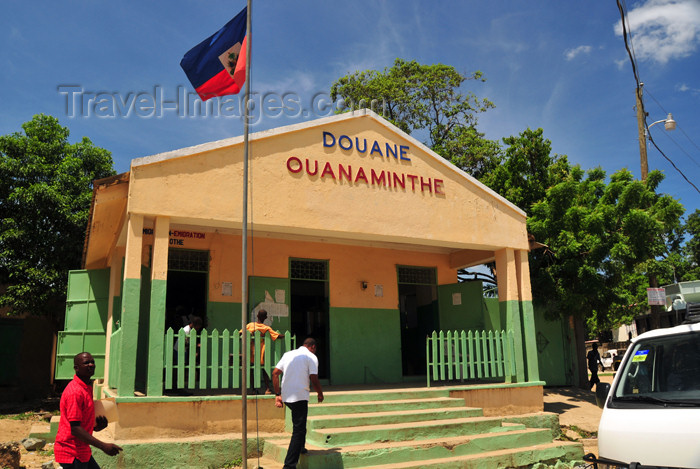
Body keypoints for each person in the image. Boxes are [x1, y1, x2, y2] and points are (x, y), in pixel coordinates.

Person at [54, 352, 123, 469]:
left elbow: (81, 421)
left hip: (82, 450)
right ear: (76, 368)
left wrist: (95, 427)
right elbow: (75, 428)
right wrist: (103, 446)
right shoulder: (75, 392)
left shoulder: (86, 387)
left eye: (93, 362)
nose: (91, 365)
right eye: (86, 363)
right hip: (71, 452)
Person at [272, 338, 324, 469]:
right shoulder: (311, 357)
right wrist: (320, 393)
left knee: (300, 421)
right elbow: (314, 378)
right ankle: (289, 465)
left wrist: (277, 394)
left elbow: (275, 373)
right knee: (298, 430)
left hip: (286, 395)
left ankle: (301, 447)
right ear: (312, 347)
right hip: (300, 396)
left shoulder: (288, 354)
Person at [246, 309, 284, 394]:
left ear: (257, 316)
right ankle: (267, 388)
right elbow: (277, 336)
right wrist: (285, 335)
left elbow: (241, 333)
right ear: (266, 317)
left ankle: (253, 389)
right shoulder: (266, 328)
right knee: (264, 370)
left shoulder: (250, 325)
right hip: (261, 351)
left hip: (251, 351)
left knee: (251, 370)